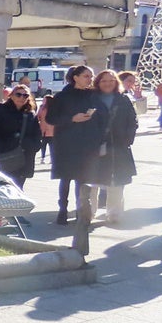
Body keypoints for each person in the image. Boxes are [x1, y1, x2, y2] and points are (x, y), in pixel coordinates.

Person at [46, 65, 106, 225]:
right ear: (76, 77)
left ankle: (81, 211)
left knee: (83, 179)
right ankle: (62, 210)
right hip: (67, 143)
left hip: (88, 143)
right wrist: (72, 118)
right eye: (86, 76)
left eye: (91, 76)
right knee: (66, 178)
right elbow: (51, 119)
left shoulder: (93, 95)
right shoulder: (62, 96)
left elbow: (102, 118)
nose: (90, 79)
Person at [92, 69, 137, 226]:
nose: (107, 83)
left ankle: (114, 213)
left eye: (111, 80)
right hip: (95, 145)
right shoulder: (91, 99)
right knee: (92, 180)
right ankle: (89, 212)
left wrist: (127, 139)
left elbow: (133, 120)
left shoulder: (123, 99)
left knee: (117, 181)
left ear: (116, 82)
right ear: (98, 83)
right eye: (104, 81)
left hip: (119, 146)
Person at [0, 83, 41, 189]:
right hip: (5, 156)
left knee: (18, 187)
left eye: (25, 95)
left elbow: (37, 136)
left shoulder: (30, 114)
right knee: (4, 187)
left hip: (24, 157)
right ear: (11, 95)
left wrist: (31, 146)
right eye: (18, 94)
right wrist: (2, 147)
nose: (21, 97)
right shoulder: (1, 110)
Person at [36, 93, 55, 163]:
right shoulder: (54, 109)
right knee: (52, 146)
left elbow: (38, 117)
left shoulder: (42, 108)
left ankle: (43, 158)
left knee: (43, 145)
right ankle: (52, 159)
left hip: (43, 130)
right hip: (53, 131)